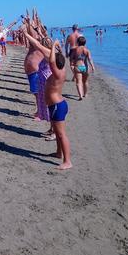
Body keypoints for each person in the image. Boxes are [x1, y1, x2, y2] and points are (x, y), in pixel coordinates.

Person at [46, 40, 72, 170]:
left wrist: (52, 45)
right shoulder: (62, 69)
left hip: (57, 105)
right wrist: (58, 48)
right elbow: (56, 59)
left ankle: (67, 161)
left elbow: (51, 61)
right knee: (57, 131)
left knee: (61, 134)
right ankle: (58, 153)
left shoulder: (57, 73)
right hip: (56, 105)